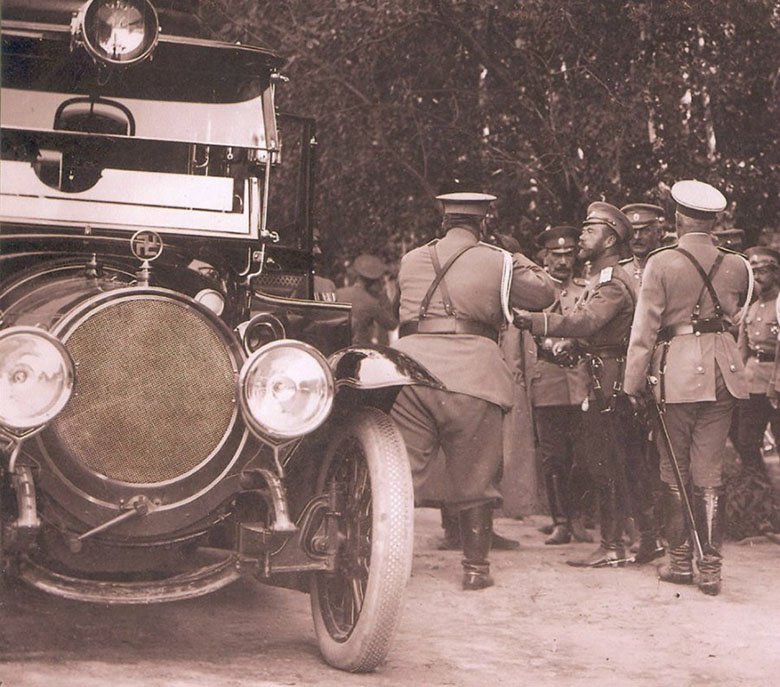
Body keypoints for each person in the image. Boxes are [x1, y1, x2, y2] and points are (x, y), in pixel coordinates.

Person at [391, 191, 555, 590]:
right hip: (472, 375)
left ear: (444, 221)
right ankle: (475, 569)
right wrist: (511, 254)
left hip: (409, 374)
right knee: (477, 476)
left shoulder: (411, 259)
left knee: (401, 475)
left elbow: (399, 308)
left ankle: (386, 563)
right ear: (483, 224)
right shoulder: (497, 260)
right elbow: (545, 293)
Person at [623, 179, 751, 596]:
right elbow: (737, 317)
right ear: (713, 222)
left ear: (678, 219)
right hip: (724, 371)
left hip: (676, 372)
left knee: (674, 470)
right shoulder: (737, 264)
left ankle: (680, 561)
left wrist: (632, 383)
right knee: (709, 470)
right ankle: (710, 567)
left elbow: (644, 329)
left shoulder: (661, 262)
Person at [515, 202, 651, 568]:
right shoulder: (604, 278)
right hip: (605, 375)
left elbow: (587, 321)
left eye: (590, 231)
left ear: (609, 240)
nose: (582, 237)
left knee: (605, 463)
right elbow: (600, 330)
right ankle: (646, 539)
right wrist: (572, 346)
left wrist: (536, 321)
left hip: (609, 381)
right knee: (621, 461)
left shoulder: (612, 282)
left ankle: (612, 546)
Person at [528, 225, 594, 545]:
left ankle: (579, 517)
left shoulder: (586, 289)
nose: (563, 261)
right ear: (545, 257)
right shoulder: (533, 293)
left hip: (580, 378)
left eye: (569, 254)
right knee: (553, 455)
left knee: (583, 453)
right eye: (557, 255)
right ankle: (561, 522)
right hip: (547, 378)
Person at [736, 246, 780, 475]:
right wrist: (737, 380)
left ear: (776, 273)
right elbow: (742, 348)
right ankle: (759, 486)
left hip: (776, 381)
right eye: (753, 272)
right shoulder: (751, 307)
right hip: (752, 381)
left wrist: (776, 384)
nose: (757, 277)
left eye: (762, 271)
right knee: (746, 440)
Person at [336, 254, 398, 345]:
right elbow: (391, 324)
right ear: (375, 281)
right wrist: (383, 296)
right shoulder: (372, 302)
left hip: (336, 345)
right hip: (358, 347)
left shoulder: (338, 293)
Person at [619, 204, 666, 286]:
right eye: (633, 231)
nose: (637, 237)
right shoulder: (621, 273)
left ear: (659, 233)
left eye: (645, 231)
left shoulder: (669, 269)